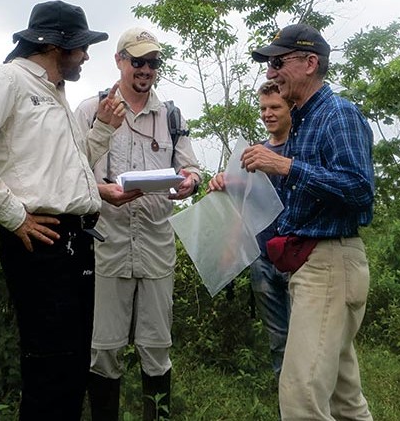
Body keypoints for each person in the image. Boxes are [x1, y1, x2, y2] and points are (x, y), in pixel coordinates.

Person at [0, 0, 110, 421]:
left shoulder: (54, 93)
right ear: (55, 46)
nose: (85, 55)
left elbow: (64, 167)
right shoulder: (9, 80)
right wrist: (13, 214)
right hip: (41, 240)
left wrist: (103, 128)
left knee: (70, 363)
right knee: (51, 365)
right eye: (80, 46)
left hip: (74, 240)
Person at [245, 23, 375, 420]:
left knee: (301, 397)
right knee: (343, 398)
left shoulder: (338, 114)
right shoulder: (302, 120)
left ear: (310, 63)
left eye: (278, 62)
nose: (270, 71)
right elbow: (299, 196)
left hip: (330, 265)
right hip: (313, 266)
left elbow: (359, 190)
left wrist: (285, 165)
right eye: (269, 63)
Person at [75, 27, 202, 421]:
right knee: (104, 348)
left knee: (156, 347)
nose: (146, 69)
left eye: (153, 62)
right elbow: (68, 172)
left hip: (156, 249)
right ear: (119, 61)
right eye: (138, 61)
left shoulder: (171, 116)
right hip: (106, 247)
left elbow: (192, 167)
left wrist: (190, 181)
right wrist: (102, 191)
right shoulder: (90, 110)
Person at [208, 80, 293, 381]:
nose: (267, 114)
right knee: (278, 340)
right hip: (262, 257)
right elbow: (241, 199)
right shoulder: (253, 153)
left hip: (297, 259)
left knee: (307, 341)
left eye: (275, 107)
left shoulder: (300, 148)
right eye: (263, 108)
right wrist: (222, 181)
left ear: (290, 107)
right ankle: (288, 406)